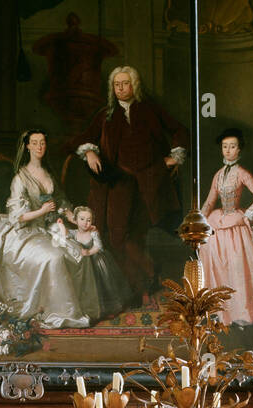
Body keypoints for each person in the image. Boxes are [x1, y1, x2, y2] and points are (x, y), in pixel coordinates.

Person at [72, 65, 188, 297]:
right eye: (116, 84)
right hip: (117, 183)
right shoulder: (106, 113)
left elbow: (179, 130)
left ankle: (138, 285)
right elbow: (85, 137)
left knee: (136, 234)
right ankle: (146, 272)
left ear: (134, 85)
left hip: (148, 182)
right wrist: (90, 152)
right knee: (116, 236)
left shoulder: (149, 110)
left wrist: (174, 158)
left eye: (125, 83)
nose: (120, 88)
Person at [0, 129, 89, 328]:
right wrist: (42, 211)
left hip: (51, 227)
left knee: (78, 253)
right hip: (25, 232)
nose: (39, 147)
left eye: (42, 143)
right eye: (35, 143)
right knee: (53, 258)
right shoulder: (20, 178)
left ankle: (74, 307)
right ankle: (55, 311)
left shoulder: (48, 174)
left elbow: (61, 202)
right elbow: (17, 217)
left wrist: (74, 218)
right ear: (27, 146)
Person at [198, 128, 253, 326]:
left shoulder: (242, 173)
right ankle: (220, 310)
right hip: (219, 224)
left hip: (237, 227)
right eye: (225, 147)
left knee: (237, 267)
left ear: (239, 150)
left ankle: (241, 312)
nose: (228, 151)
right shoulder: (218, 175)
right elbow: (209, 202)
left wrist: (247, 215)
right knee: (216, 263)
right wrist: (197, 220)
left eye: (232, 147)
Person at [63, 205, 133, 322]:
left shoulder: (93, 232)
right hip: (83, 265)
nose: (85, 223)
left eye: (89, 220)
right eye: (82, 219)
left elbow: (99, 246)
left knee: (102, 284)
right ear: (75, 220)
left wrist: (89, 252)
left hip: (96, 261)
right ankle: (87, 308)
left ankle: (107, 309)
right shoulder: (74, 233)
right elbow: (65, 236)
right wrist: (61, 225)